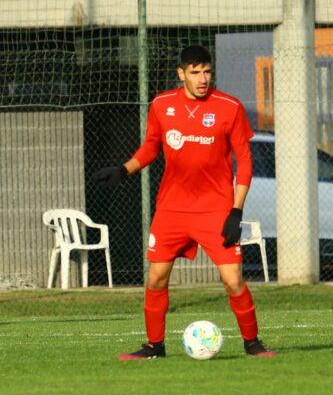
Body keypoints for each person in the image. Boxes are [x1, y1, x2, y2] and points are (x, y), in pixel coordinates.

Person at [93, 45, 276, 359]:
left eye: (206, 71)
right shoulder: (162, 104)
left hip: (216, 209)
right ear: (181, 74)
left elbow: (244, 162)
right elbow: (151, 147)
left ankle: (253, 343)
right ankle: (154, 346)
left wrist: (236, 210)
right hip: (172, 209)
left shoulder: (228, 107)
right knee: (156, 277)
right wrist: (124, 170)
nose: (202, 78)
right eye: (195, 72)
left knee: (233, 280)